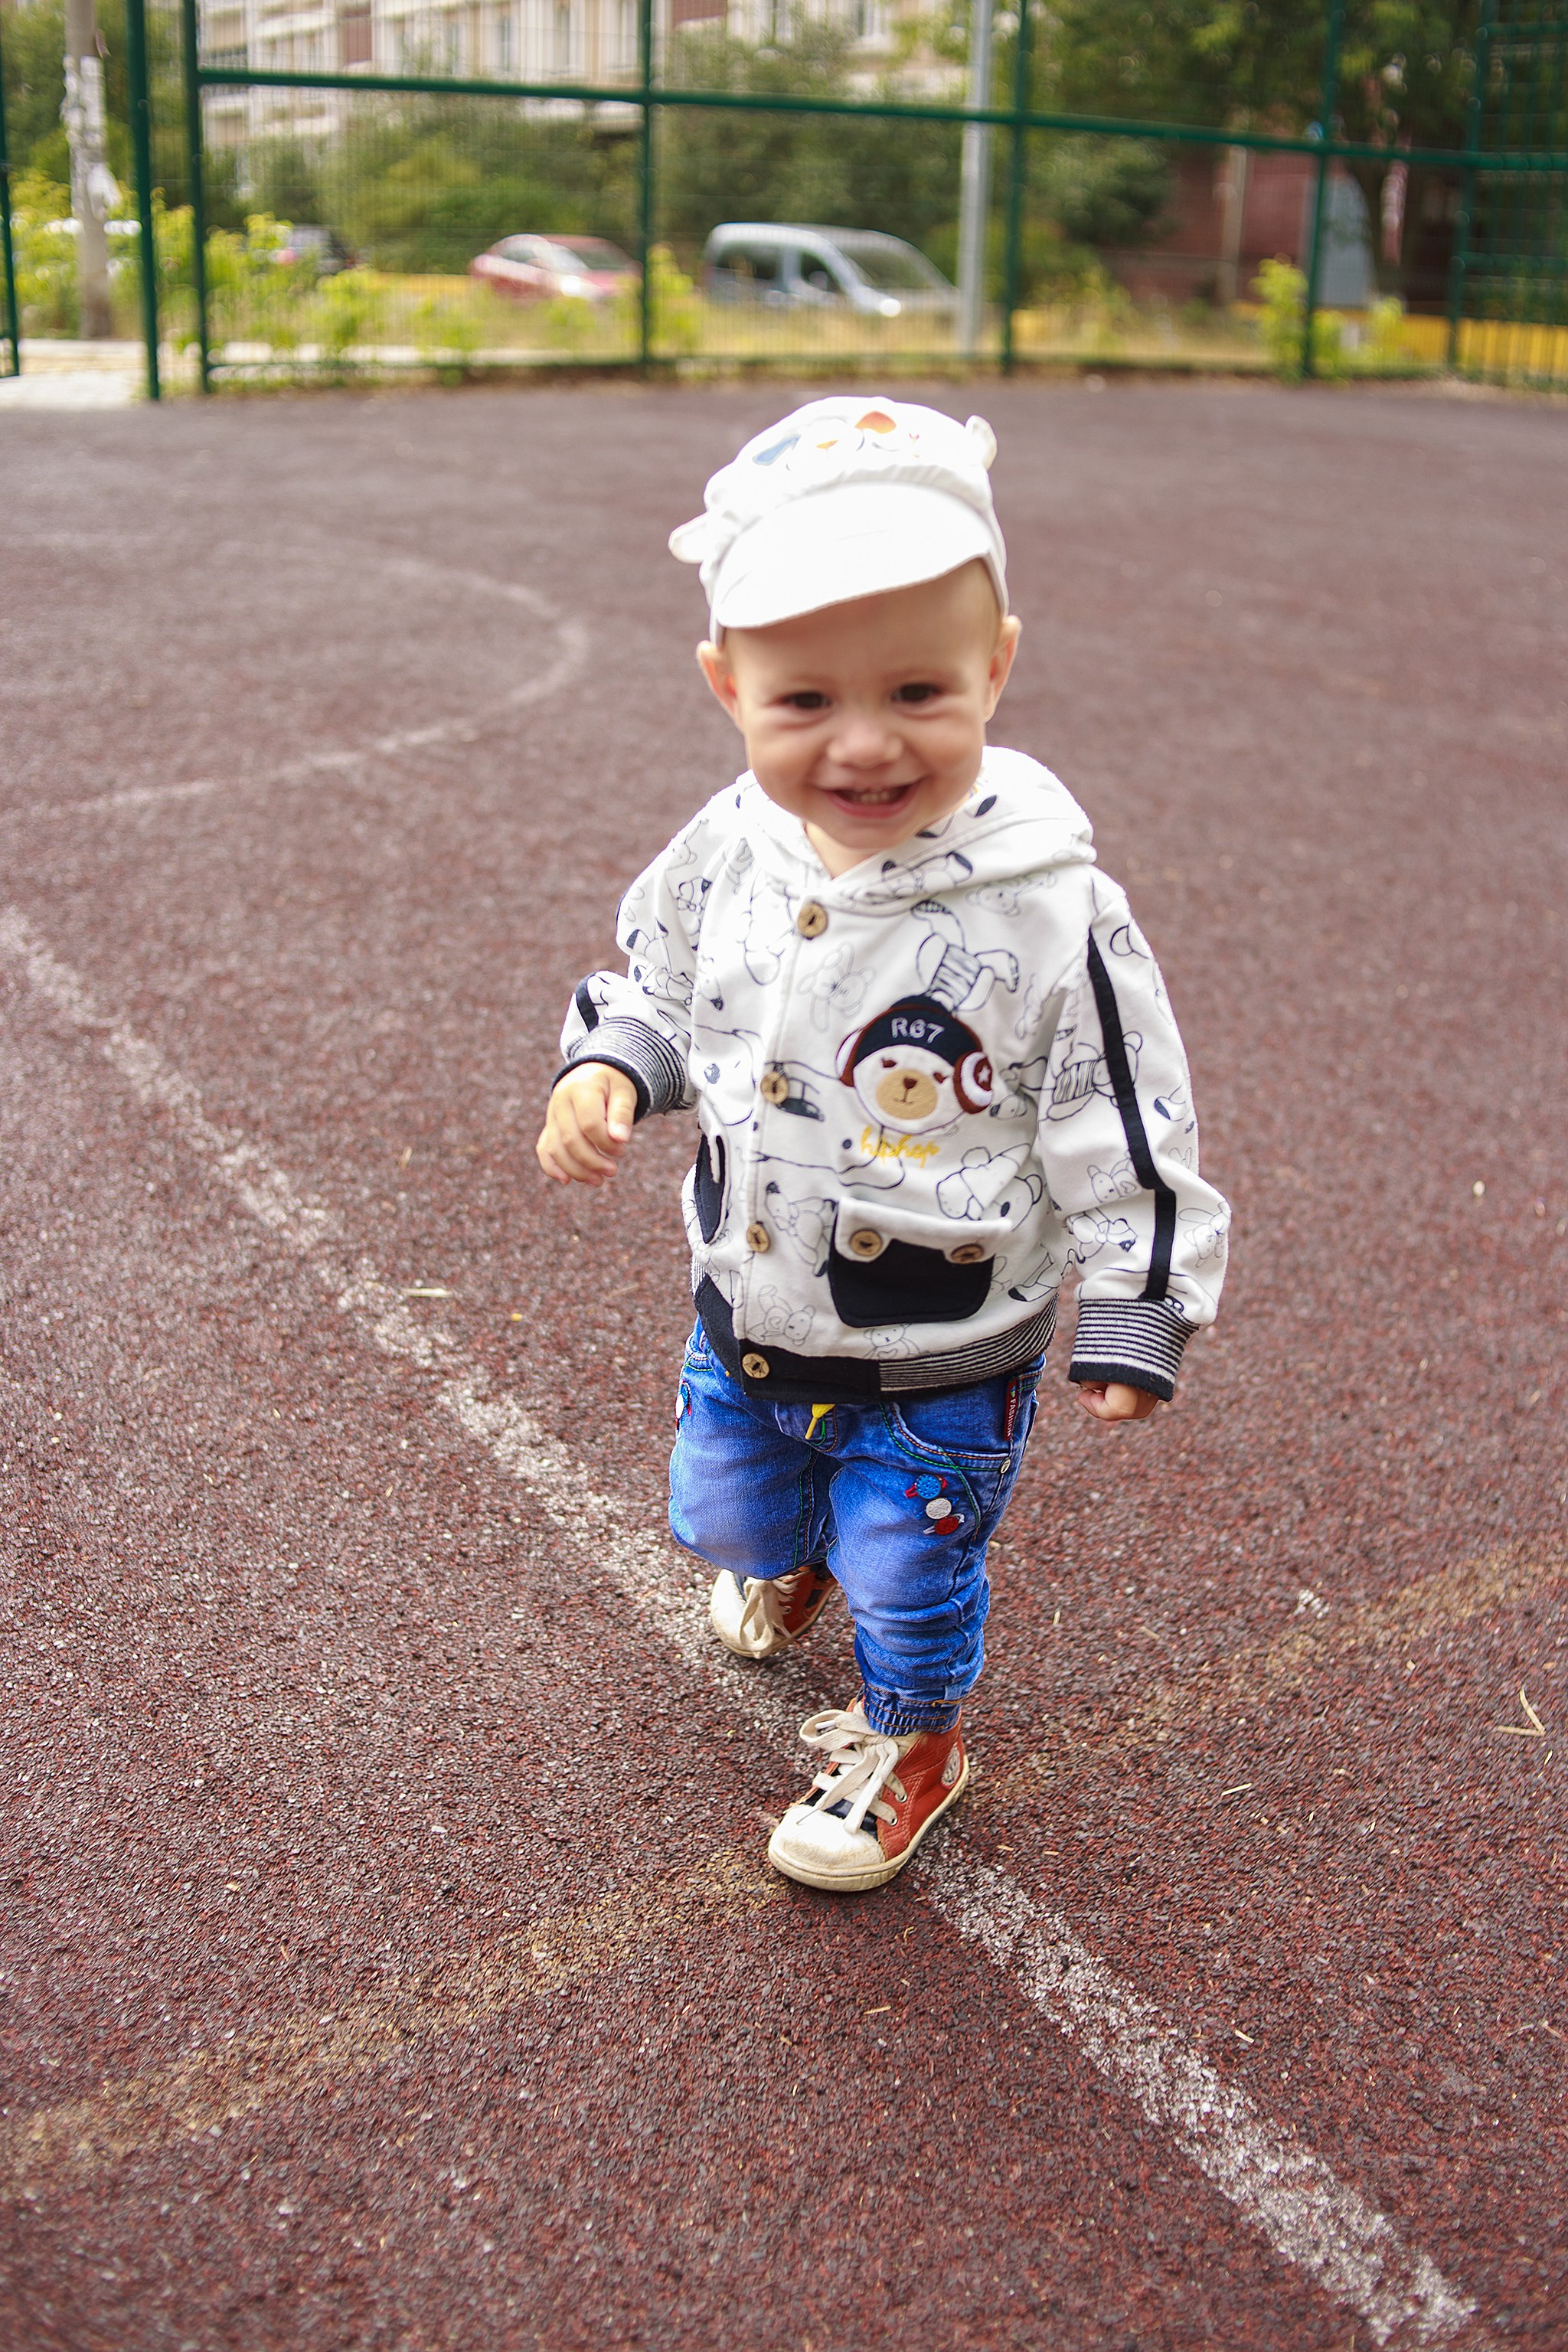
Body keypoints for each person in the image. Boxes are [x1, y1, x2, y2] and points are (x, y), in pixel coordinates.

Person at [536, 397, 1229, 1893]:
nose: (863, 744)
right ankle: (788, 1559)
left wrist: (1139, 1297)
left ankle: (915, 1742)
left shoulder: (1049, 909)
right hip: (749, 1300)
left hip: (942, 1345)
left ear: (998, 664)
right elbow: (657, 979)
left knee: (909, 1573)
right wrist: (611, 1067)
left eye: (917, 688)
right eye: (803, 705)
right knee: (726, 1500)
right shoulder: (729, 841)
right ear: (728, 687)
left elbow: (1123, 1104)